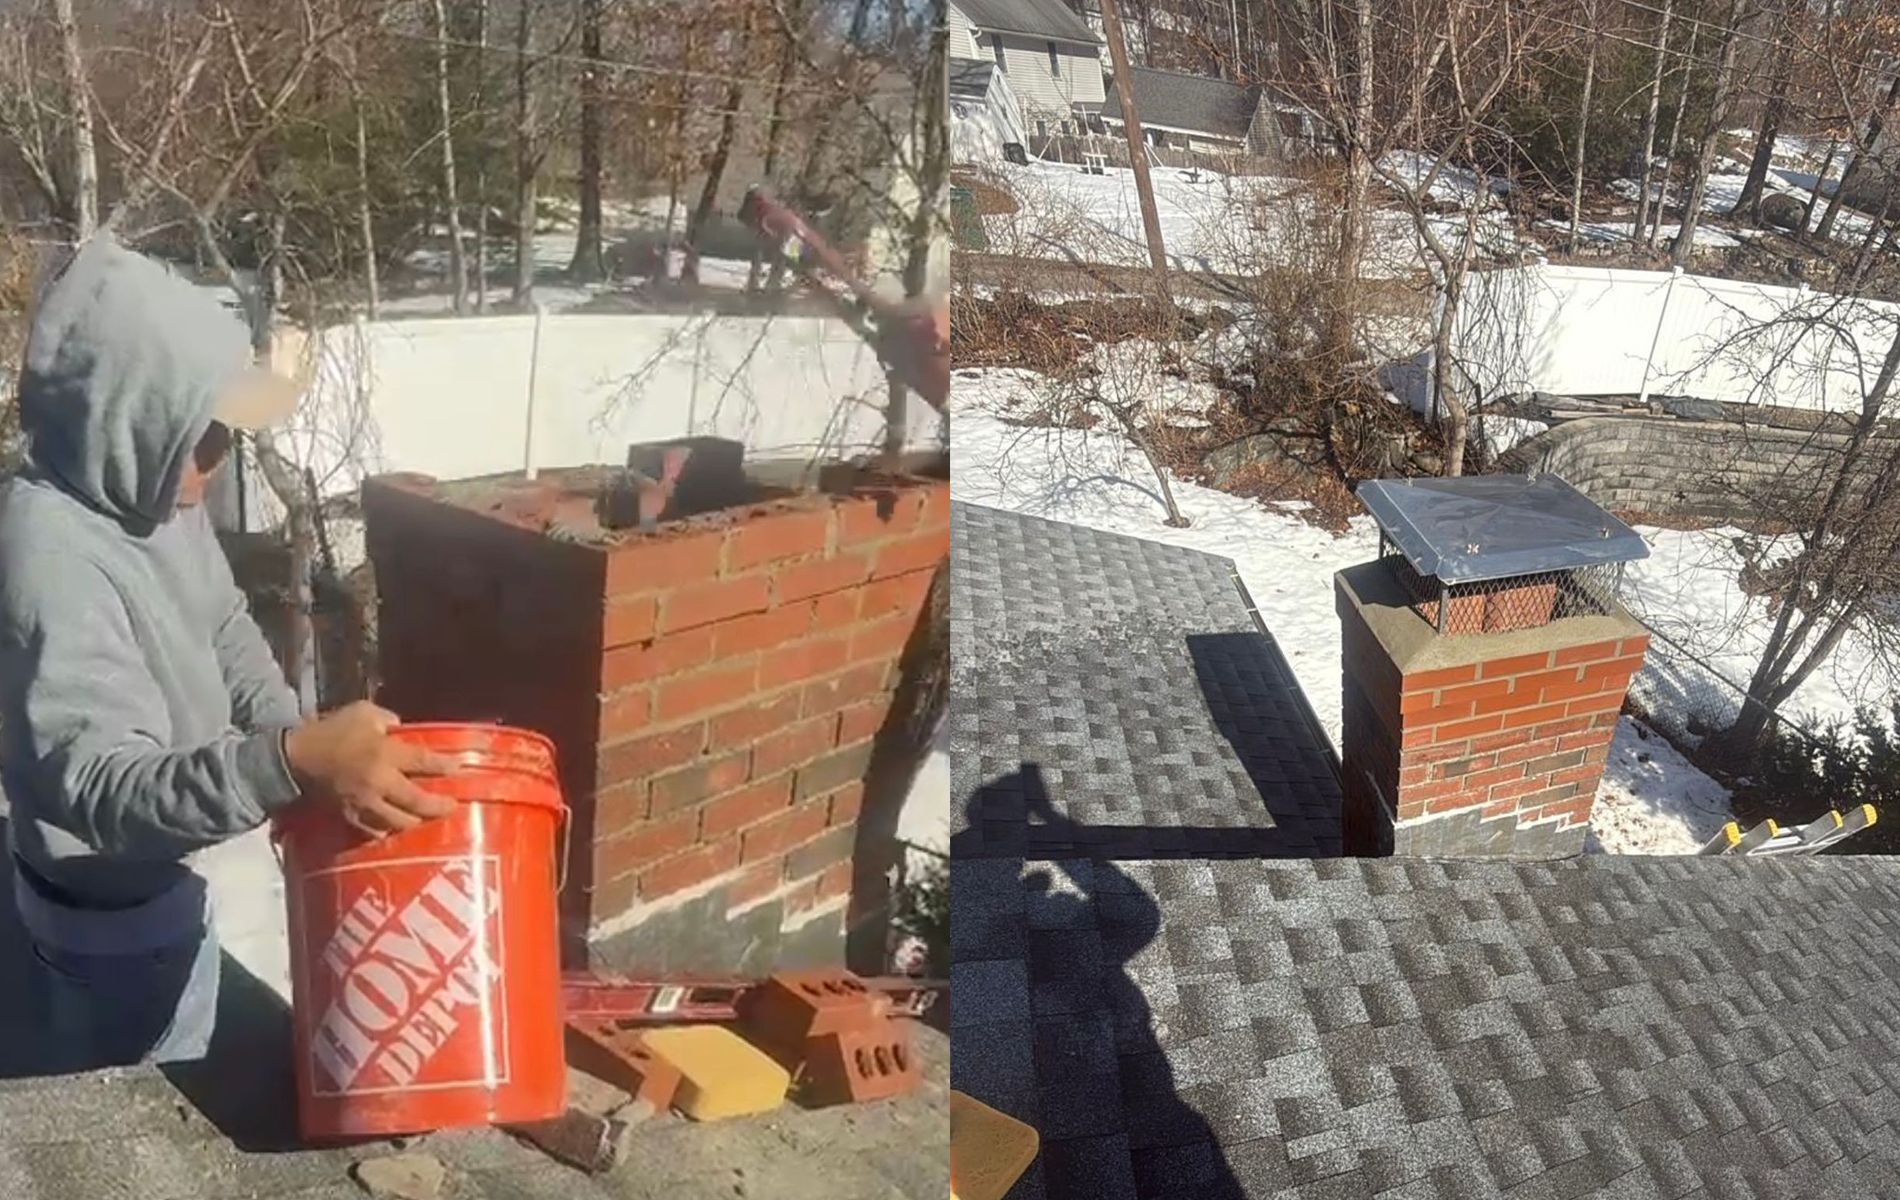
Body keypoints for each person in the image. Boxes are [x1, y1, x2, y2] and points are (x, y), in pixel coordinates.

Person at [0, 235, 459, 1069]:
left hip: (168, 884)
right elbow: (103, 790)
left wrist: (293, 742)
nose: (219, 456)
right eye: (201, 433)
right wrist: (284, 764)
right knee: (138, 1145)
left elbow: (224, 628)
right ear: (129, 414)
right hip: (99, 934)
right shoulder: (48, 556)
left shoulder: (150, 489)